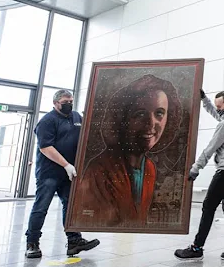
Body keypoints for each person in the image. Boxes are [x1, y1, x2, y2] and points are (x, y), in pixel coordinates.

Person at [73, 74, 182, 227]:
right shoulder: (100, 169)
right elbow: (95, 219)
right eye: (140, 114)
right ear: (122, 119)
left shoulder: (149, 168)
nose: (151, 123)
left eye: (159, 113)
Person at [25, 89, 99, 258]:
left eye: (71, 101)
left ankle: (74, 241)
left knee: (70, 206)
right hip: (49, 173)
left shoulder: (76, 117)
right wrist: (66, 164)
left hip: (69, 173)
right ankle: (32, 243)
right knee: (41, 207)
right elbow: (45, 147)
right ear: (55, 103)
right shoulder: (47, 121)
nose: (69, 105)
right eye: (65, 102)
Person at [175, 90, 224, 261]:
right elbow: (218, 115)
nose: (218, 109)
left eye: (220, 106)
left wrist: (196, 168)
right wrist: (204, 100)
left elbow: (210, 148)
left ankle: (197, 248)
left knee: (208, 207)